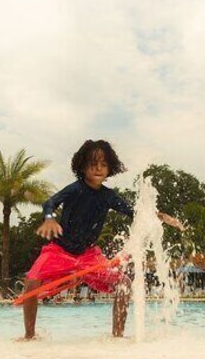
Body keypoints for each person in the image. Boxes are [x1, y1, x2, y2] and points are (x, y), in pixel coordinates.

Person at [22, 139, 180, 340]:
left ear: (110, 168)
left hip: (89, 256)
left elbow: (135, 213)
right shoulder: (75, 189)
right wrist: (50, 218)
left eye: (104, 164)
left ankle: (117, 337)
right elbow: (49, 203)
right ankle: (29, 336)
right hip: (60, 251)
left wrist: (160, 216)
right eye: (93, 164)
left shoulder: (108, 196)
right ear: (82, 166)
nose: (98, 168)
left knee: (124, 283)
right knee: (31, 282)